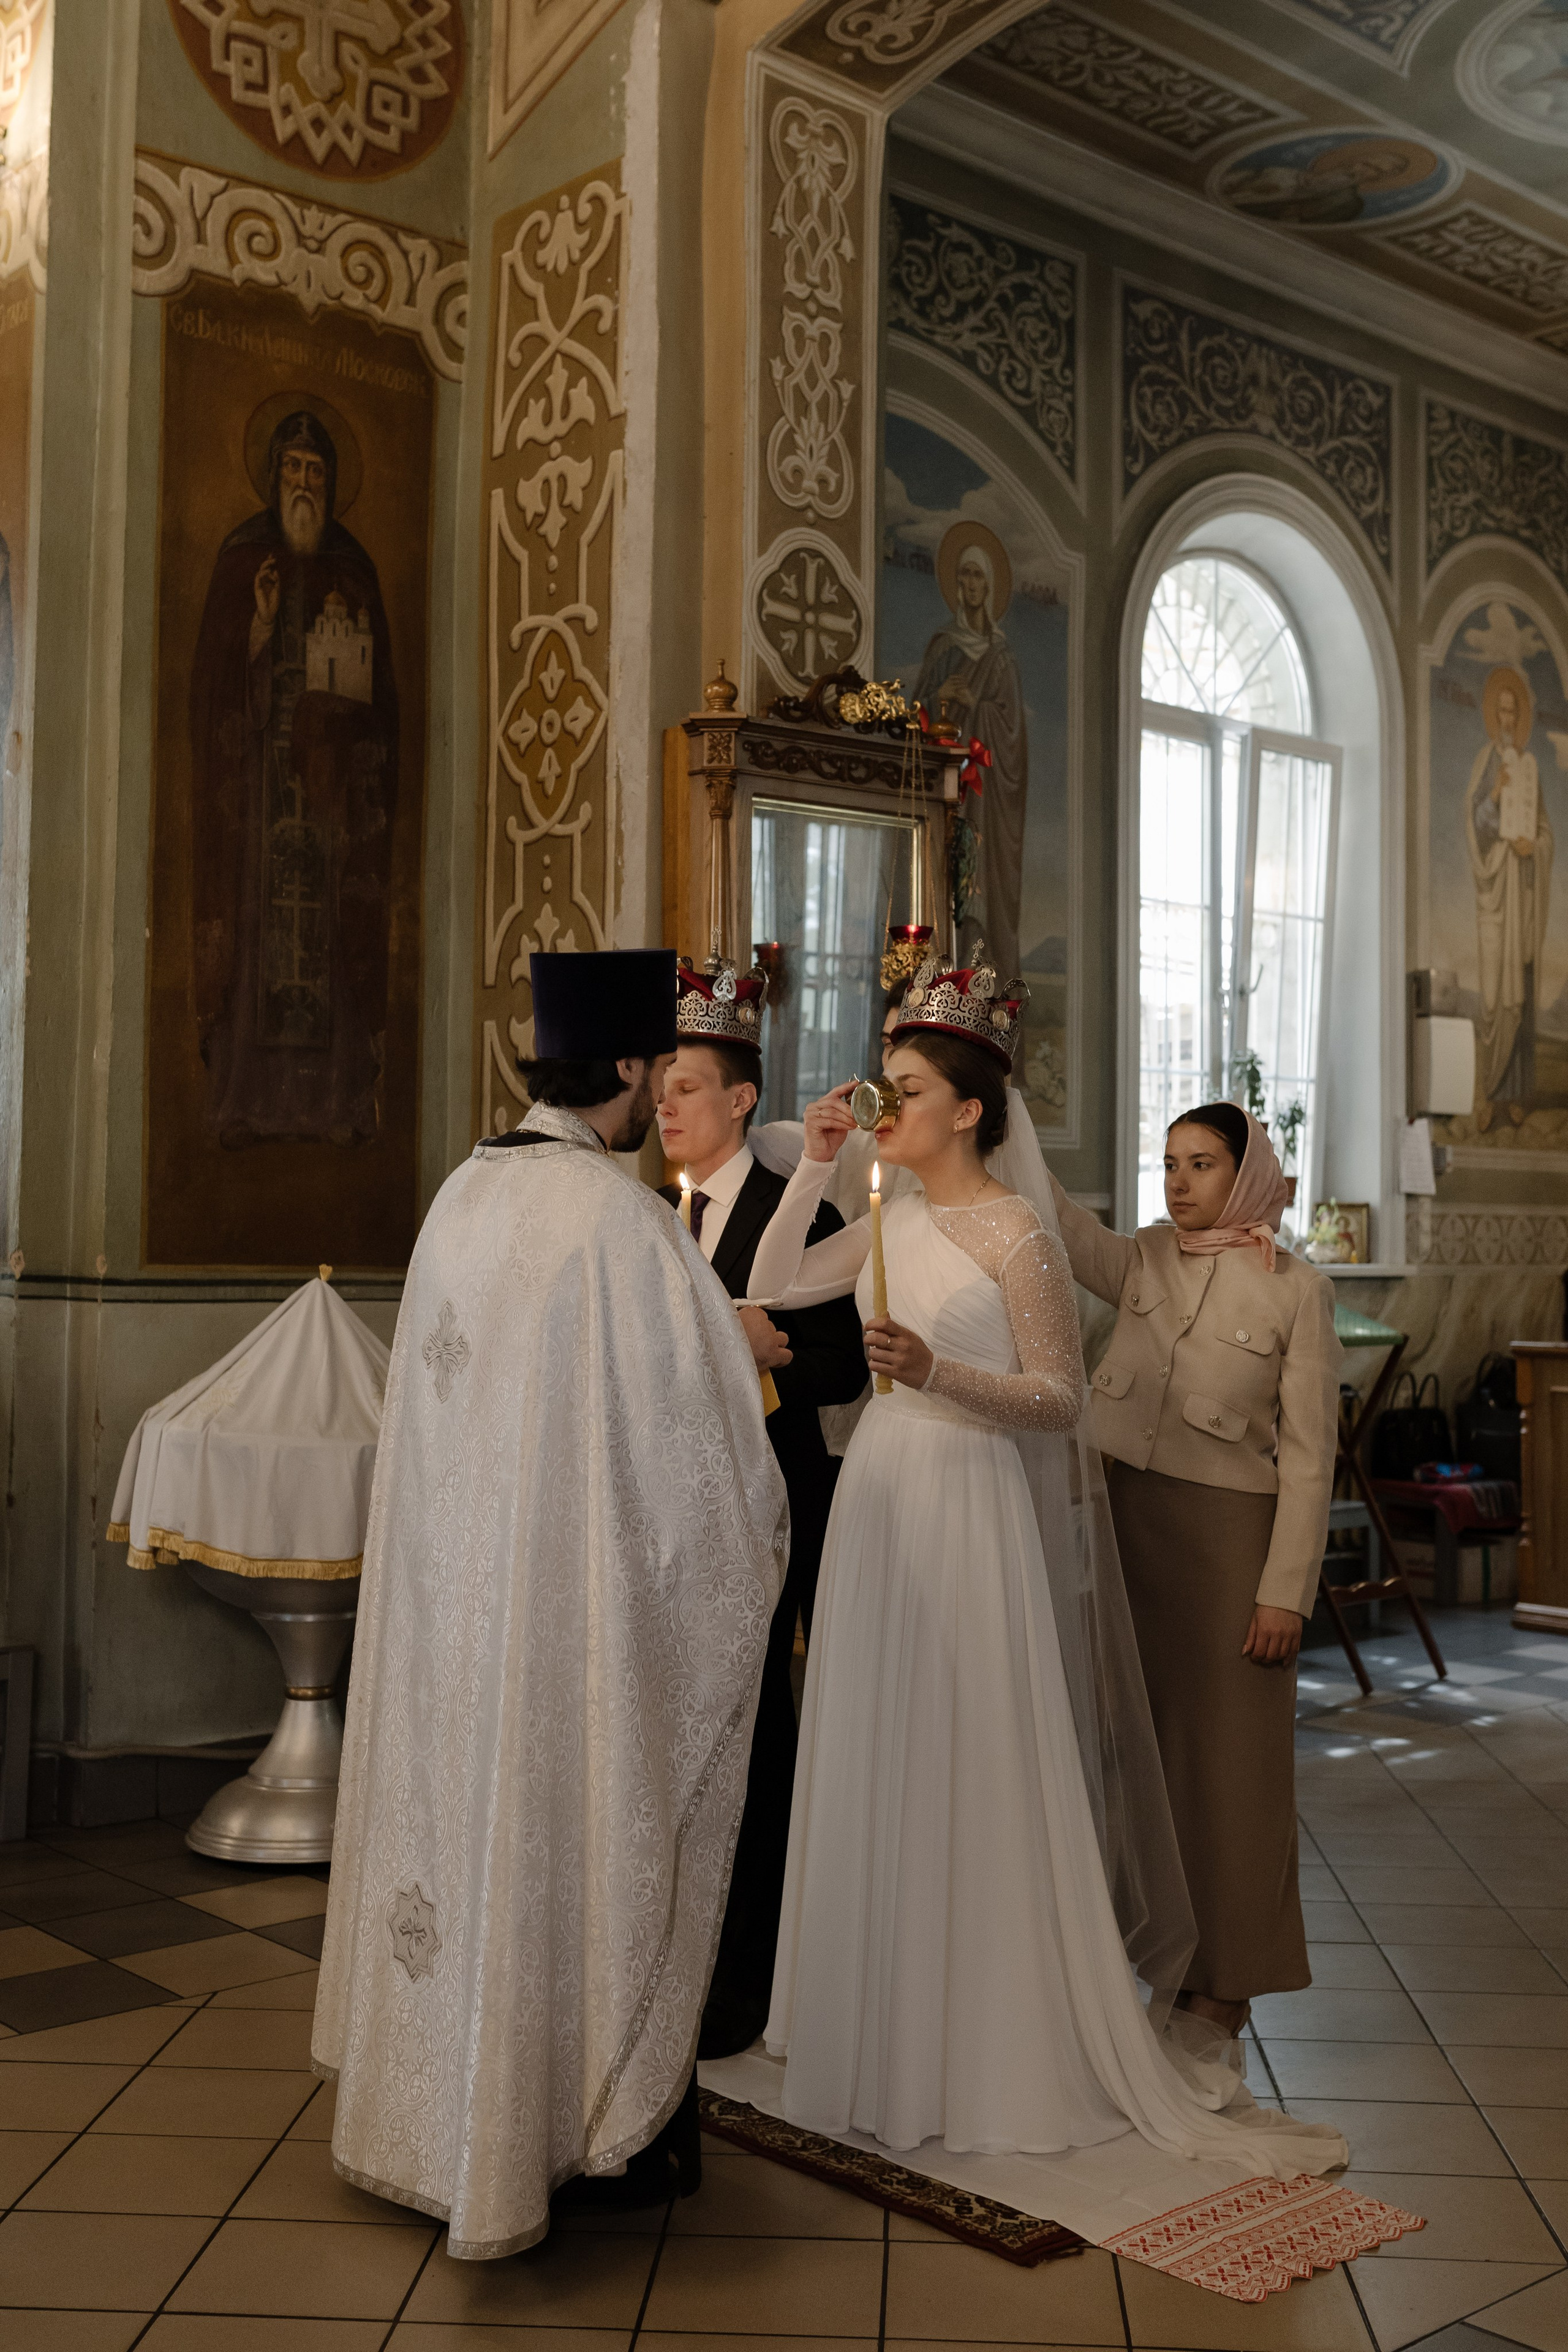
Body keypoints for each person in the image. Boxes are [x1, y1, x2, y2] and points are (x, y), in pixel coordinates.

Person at [745, 945, 1343, 2179]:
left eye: (902, 1088)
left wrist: (933, 1372)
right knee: (878, 1742)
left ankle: (1050, 2016)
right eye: (881, 1084)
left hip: (972, 1496)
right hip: (884, 1499)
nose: (882, 1106)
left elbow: (1058, 1395)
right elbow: (763, 1290)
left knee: (990, 1752)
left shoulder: (1020, 1230)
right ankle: (876, 2015)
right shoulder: (888, 1211)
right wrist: (813, 1158)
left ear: (965, 1110)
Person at [313, 948, 790, 2258]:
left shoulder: (462, 1196)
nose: (655, 1105)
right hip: (560, 1627)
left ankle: (427, 2121)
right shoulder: (615, 1221)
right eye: (656, 1075)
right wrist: (731, 1348)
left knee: (465, 1851)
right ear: (629, 1070)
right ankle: (561, 2135)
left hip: (452, 1620)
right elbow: (697, 1463)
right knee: (566, 1836)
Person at [1048, 1103, 1340, 2039]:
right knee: (1142, 1757)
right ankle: (1164, 1955)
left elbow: (1310, 1458)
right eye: (1170, 1163)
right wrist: (996, 1104)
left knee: (1232, 1774)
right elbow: (1059, 1226)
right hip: (1125, 1527)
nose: (1179, 1182)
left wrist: (1283, 1592)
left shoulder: (1297, 1291)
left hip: (1229, 1551)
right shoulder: (1142, 1257)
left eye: (1202, 1164)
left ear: (1246, 1176)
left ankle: (1229, 1980)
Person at [655, 958, 870, 2060]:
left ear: (740, 1100)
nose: (665, 1107)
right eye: (657, 1087)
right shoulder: (648, 1216)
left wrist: (755, 1354)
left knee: (755, 1732)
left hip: (766, 1506)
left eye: (685, 1087)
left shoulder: (805, 1206)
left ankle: (751, 1978)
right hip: (662, 1520)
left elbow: (838, 1366)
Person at [190, 407, 399, 1147]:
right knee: (259, 943)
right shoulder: (246, 558)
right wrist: (258, 628)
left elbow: (387, 714)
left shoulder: (354, 570)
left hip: (332, 806)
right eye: (292, 470)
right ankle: (245, 1103)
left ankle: (335, 1108)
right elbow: (212, 690)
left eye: (315, 472)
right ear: (274, 476)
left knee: (330, 949)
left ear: (331, 481)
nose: (304, 485)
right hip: (260, 793)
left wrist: (344, 726)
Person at [914, 529, 1027, 981]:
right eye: (965, 575)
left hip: (987, 795)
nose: (972, 584)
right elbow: (914, 717)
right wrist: (940, 694)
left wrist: (979, 710)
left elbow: (1015, 736)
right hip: (946, 789)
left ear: (991, 586)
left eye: (979, 575)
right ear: (957, 585)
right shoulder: (944, 647)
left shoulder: (1003, 659)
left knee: (980, 882)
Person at [1467, 663, 1553, 1129]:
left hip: (1522, 890)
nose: (1505, 719)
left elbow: (1544, 833)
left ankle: (1518, 1095)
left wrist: (1533, 847)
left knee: (1522, 991)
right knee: (1497, 997)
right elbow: (1475, 825)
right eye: (1500, 711)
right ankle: (1489, 1095)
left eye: (1512, 712)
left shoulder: (1531, 770)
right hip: (1496, 893)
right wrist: (1495, 797)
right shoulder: (1488, 766)